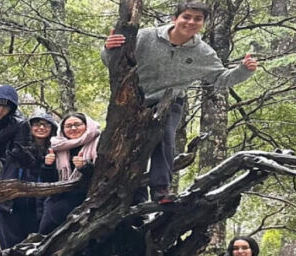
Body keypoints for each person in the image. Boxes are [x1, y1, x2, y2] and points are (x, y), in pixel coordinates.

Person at [102, 1, 257, 202]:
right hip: (133, 97)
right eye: (186, 16)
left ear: (203, 24)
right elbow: (113, 62)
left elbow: (221, 78)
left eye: (198, 19)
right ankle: (110, 186)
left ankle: (160, 189)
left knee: (164, 136)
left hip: (169, 101)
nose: (191, 22)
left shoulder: (203, 53)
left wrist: (244, 70)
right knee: (118, 143)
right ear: (175, 19)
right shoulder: (146, 36)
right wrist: (109, 48)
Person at [0, 111, 59, 249]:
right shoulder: (15, 145)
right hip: (10, 204)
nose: (41, 127)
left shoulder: (57, 151)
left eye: (46, 125)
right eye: (36, 124)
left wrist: (49, 164)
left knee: (34, 247)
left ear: (52, 129)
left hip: (38, 207)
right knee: (9, 248)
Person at [37, 112, 101, 235]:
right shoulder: (57, 147)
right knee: (45, 233)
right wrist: (48, 166)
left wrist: (85, 167)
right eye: (68, 126)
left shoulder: (98, 142)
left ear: (87, 125)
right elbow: (49, 181)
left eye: (77, 124)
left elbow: (104, 174)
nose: (73, 129)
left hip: (87, 196)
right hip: (59, 195)